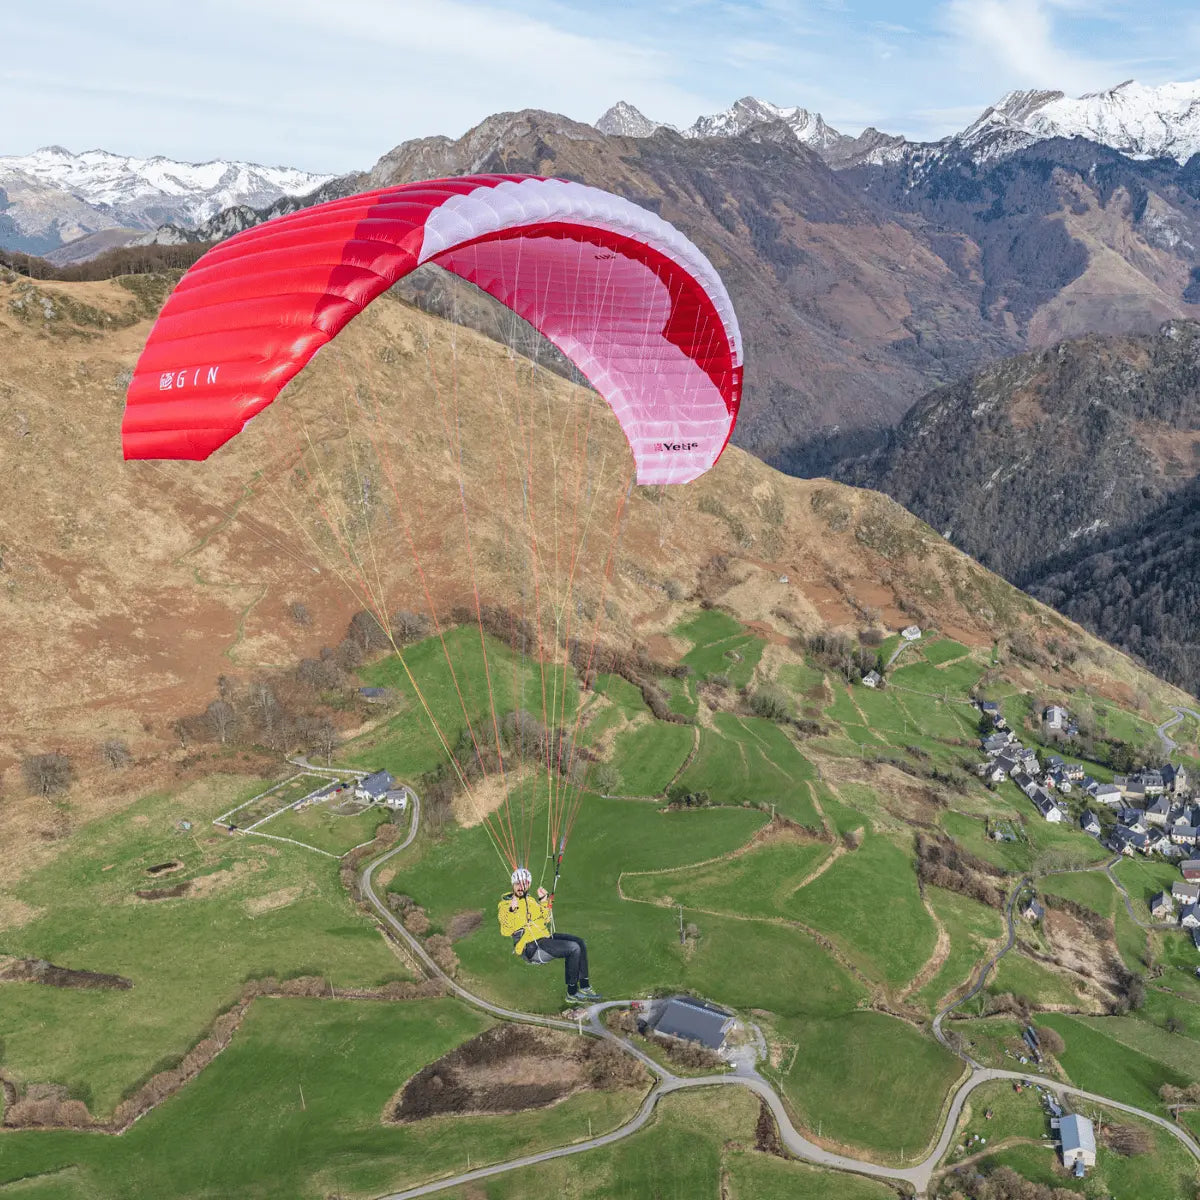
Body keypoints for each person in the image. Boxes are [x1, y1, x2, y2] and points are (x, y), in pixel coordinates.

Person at [497, 867, 602, 1006]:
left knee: (580, 942)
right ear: (513, 885)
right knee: (573, 948)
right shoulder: (505, 905)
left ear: (528, 885)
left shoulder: (531, 901)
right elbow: (505, 930)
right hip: (531, 947)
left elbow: (545, 919)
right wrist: (511, 910)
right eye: (518, 884)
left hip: (544, 937)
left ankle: (585, 986)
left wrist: (543, 900)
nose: (521, 888)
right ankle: (571, 993)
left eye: (524, 884)